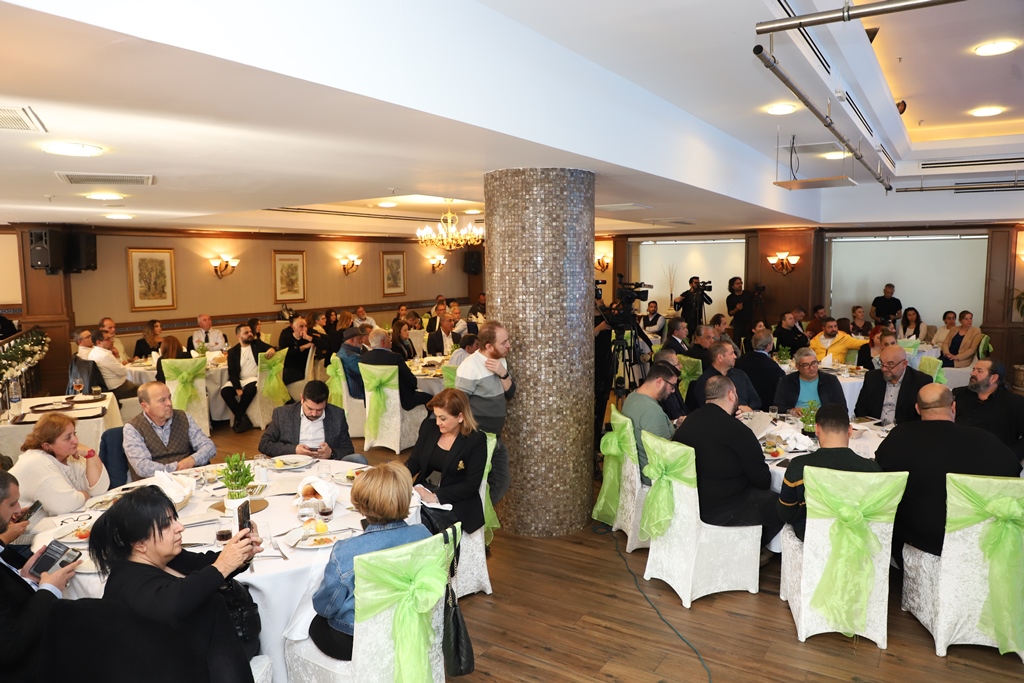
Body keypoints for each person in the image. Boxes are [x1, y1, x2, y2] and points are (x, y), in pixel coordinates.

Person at [89, 486, 262, 682]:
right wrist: (223, 565)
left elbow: (205, 565)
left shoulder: (163, 556)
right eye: (166, 525)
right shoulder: (128, 582)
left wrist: (242, 555)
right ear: (139, 543)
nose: (180, 527)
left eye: (174, 519)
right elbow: (172, 603)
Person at [875, 384, 1020, 562]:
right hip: (975, 539)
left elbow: (881, 479)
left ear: (918, 409)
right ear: (953, 407)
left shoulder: (899, 436)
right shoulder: (985, 440)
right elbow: (1013, 476)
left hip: (917, 539)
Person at [310, 463, 431, 661]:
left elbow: (326, 606)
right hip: (409, 626)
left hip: (357, 639)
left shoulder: (347, 551)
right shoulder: (423, 535)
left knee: (314, 623)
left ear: (362, 506)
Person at [673, 375, 782, 555]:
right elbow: (763, 481)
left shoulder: (688, 422)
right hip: (723, 510)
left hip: (689, 504)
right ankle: (749, 551)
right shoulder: (738, 431)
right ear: (731, 395)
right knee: (783, 505)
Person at [0, 470, 80, 683]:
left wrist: (24, 576)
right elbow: (10, 648)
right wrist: (48, 590)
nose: (18, 510)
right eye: (12, 504)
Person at [777, 404, 881, 541]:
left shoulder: (799, 466)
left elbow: (785, 513)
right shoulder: (872, 469)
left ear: (817, 429)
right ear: (850, 430)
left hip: (812, 540)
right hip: (857, 542)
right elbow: (877, 516)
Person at [406, 389, 487, 533]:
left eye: (443, 419)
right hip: (423, 491)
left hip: (455, 501)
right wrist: (397, 478)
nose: (438, 422)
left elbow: (471, 485)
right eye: (436, 416)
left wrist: (435, 497)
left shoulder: (475, 440)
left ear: (460, 417)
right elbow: (414, 462)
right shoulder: (429, 427)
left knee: (419, 522)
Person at [456, 321, 515, 502]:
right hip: (478, 437)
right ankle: (475, 514)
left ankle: (480, 512)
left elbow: (510, 393)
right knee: (479, 484)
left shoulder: (500, 360)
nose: (509, 345)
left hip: (494, 437)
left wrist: (502, 373)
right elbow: (458, 405)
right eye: (504, 342)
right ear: (489, 346)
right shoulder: (469, 367)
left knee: (501, 481)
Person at [9, 413, 109, 516]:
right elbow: (65, 504)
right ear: (47, 446)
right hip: (22, 525)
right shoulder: (36, 461)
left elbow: (98, 490)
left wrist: (90, 454)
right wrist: (85, 495)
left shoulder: (68, 456)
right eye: (68, 438)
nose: (76, 440)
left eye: (74, 433)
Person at [123, 382, 217, 478]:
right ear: (145, 406)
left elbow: (209, 447)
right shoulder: (132, 428)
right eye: (162, 400)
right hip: (154, 482)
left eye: (169, 397)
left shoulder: (183, 417)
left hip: (188, 478)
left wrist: (192, 460)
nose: (169, 403)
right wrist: (176, 467)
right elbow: (142, 467)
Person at [258, 380, 366, 463]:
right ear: (302, 399)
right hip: (293, 464)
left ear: (326, 402)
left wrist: (331, 453)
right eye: (310, 408)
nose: (314, 414)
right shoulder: (283, 414)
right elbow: (264, 444)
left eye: (319, 410)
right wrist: (294, 450)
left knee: (359, 459)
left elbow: (348, 449)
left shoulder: (337, 415)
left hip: (326, 465)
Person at [952, 359, 1024, 460]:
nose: (972, 374)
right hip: (958, 453)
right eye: (973, 369)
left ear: (993, 378)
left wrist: (1010, 457)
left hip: (994, 458)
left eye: (979, 371)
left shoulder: (1014, 403)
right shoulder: (959, 394)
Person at [620, 362, 678, 486]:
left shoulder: (632, 397)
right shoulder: (652, 411)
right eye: (672, 386)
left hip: (639, 471)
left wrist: (675, 423)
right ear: (659, 382)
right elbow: (665, 455)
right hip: (654, 478)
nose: (673, 391)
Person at [854, 345, 933, 425]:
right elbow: (860, 408)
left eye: (890, 365)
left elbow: (925, 415)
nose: (884, 369)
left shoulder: (920, 381)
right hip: (873, 428)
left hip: (904, 429)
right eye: (882, 363)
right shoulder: (872, 377)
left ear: (904, 364)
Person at [221, 323, 275, 433]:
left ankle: (239, 418)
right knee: (225, 391)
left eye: (250, 332)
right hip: (240, 380)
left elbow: (272, 348)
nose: (250, 334)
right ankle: (242, 417)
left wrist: (272, 350)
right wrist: (237, 388)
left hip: (254, 378)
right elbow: (232, 372)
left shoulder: (257, 344)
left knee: (251, 389)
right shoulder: (233, 352)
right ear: (238, 336)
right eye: (246, 333)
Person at [360, 328, 432, 409]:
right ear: (383, 342)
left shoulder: (364, 358)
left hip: (374, 400)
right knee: (433, 399)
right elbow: (411, 381)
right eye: (388, 338)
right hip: (399, 400)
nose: (391, 340)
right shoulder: (394, 357)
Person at [773, 348, 848, 417]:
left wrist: (824, 412)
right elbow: (777, 407)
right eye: (806, 365)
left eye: (814, 363)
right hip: (795, 419)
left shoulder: (830, 381)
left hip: (823, 419)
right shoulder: (787, 381)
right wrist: (791, 411)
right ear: (797, 366)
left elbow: (842, 408)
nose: (811, 368)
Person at [689, 341, 760, 411]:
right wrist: (738, 409)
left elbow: (756, 401)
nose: (735, 356)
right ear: (720, 357)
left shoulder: (740, 375)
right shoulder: (705, 380)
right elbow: (707, 408)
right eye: (731, 353)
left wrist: (749, 409)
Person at [736, 329, 785, 411]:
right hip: (766, 405)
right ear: (768, 346)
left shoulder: (741, 360)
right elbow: (782, 381)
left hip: (744, 404)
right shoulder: (772, 365)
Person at [89, 329, 140, 400]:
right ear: (99, 342)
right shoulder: (105, 355)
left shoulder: (93, 352)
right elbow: (123, 372)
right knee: (145, 390)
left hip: (109, 386)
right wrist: (119, 360)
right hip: (118, 388)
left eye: (111, 338)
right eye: (108, 339)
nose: (112, 340)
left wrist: (117, 357)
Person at [651, 354, 686, 427]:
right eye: (678, 363)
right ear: (667, 367)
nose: (681, 366)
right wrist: (676, 422)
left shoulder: (672, 384)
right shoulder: (656, 398)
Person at [278, 315, 314, 386]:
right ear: (294, 328)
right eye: (301, 326)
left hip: (299, 369)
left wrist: (308, 338)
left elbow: (325, 343)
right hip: (286, 367)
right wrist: (301, 348)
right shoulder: (286, 338)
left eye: (305, 326)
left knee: (282, 376)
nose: (304, 329)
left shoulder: (308, 337)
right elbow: (284, 354)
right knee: (273, 374)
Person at [337, 326, 365, 400]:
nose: (362, 341)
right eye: (360, 339)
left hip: (351, 386)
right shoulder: (352, 356)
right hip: (357, 390)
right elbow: (365, 373)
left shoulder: (342, 350)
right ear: (352, 340)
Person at [725, 277, 753, 348]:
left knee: (749, 342)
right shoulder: (730, 298)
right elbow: (730, 313)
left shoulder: (748, 294)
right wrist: (737, 309)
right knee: (737, 342)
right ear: (732, 286)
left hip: (750, 322)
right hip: (738, 323)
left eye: (741, 283)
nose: (740, 285)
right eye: (737, 283)